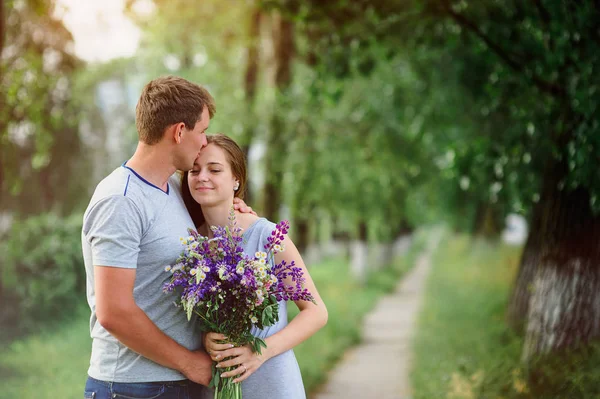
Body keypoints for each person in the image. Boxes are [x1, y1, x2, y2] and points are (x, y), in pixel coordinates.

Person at [81, 76, 253, 399]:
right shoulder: (121, 200)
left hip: (176, 384)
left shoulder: (171, 189)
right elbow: (113, 311)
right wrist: (188, 363)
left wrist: (234, 206)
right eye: (201, 131)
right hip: (134, 388)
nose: (204, 142)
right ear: (178, 132)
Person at [181, 133, 329, 399]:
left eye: (214, 169)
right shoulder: (192, 245)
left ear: (236, 179)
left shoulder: (268, 236)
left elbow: (316, 312)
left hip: (272, 383)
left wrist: (258, 351)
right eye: (194, 170)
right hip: (216, 386)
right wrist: (206, 339)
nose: (202, 176)